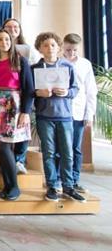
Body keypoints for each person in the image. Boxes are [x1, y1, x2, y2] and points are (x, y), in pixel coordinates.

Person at [31, 32, 85, 202]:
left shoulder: (67, 67)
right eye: (45, 45)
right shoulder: (34, 69)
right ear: (40, 48)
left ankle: (68, 186)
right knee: (49, 152)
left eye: (53, 45)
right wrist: (38, 92)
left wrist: (67, 92)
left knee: (67, 152)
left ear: (59, 47)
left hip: (65, 116)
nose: (50, 48)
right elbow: (29, 92)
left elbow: (75, 89)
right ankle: (52, 186)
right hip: (44, 116)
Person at [0, 29, 34, 201]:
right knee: (0, 148)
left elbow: (28, 89)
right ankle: (7, 185)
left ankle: (14, 187)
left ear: (11, 41)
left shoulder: (20, 61)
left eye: (6, 39)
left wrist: (25, 112)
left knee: (5, 147)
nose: (3, 42)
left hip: (12, 105)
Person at [2, 18, 40, 173]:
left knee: (22, 126)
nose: (12, 29)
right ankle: (7, 160)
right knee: (5, 130)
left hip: (23, 92)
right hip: (6, 94)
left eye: (15, 26)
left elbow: (34, 71)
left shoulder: (28, 50)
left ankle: (19, 160)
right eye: (8, 27)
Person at [61, 33, 97, 193]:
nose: (71, 53)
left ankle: (74, 180)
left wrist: (89, 115)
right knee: (59, 149)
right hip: (60, 112)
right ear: (63, 46)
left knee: (75, 148)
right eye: (68, 50)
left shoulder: (85, 64)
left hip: (78, 112)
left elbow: (91, 91)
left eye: (74, 50)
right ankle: (58, 180)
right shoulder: (58, 62)